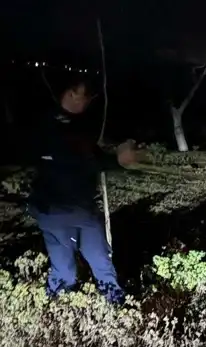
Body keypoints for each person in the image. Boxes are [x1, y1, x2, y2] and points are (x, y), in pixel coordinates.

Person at [27, 74, 140, 305]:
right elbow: (74, 159)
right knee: (69, 266)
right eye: (85, 96)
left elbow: (92, 156)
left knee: (97, 258)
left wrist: (118, 159)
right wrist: (117, 160)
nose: (88, 102)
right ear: (71, 93)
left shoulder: (77, 125)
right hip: (58, 207)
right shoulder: (50, 126)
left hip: (75, 208)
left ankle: (113, 304)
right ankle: (60, 308)